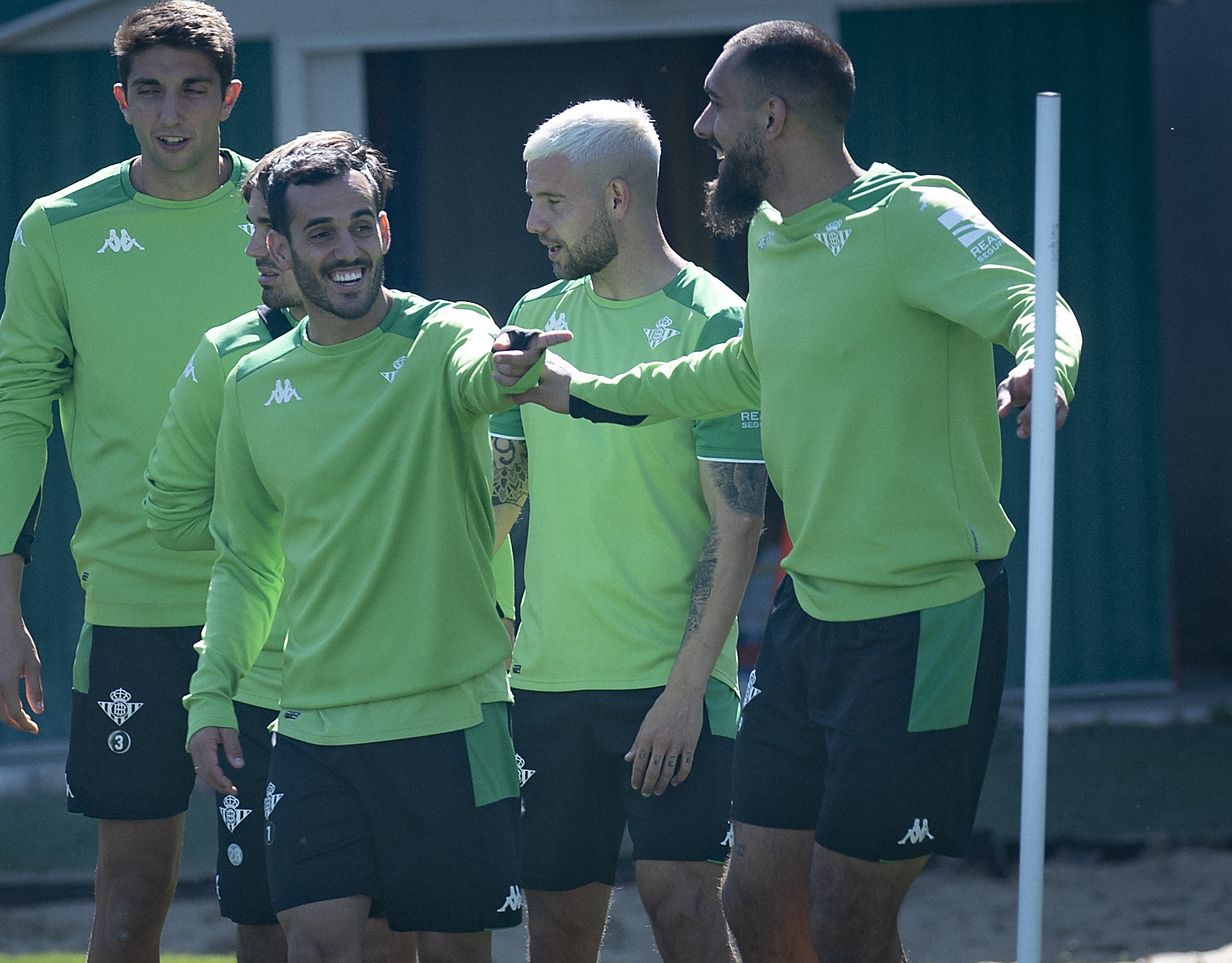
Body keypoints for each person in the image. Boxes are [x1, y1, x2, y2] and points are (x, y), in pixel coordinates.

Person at [495, 20, 1082, 963]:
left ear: (771, 115)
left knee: (849, 914)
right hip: (810, 612)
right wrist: (581, 391)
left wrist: (1042, 369)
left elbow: (1033, 297)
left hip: (926, 614)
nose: (699, 126)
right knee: (761, 900)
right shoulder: (772, 238)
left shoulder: (911, 217)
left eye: (716, 105)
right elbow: (738, 369)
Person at [184, 140, 566, 963]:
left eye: (361, 225)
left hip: (452, 716)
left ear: (384, 228)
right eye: (320, 234)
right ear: (280, 248)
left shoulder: (443, 333)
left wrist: (506, 370)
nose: (348, 249)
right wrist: (212, 691)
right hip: (314, 727)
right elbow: (247, 562)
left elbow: (479, 370)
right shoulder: (251, 384)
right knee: (316, 945)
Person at [0, 2, 259, 958]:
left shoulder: (288, 209)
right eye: (149, 92)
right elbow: (19, 415)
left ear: (229, 96)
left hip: (286, 604)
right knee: (131, 891)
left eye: (192, 91)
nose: (171, 113)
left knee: (284, 899)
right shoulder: (58, 227)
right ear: (120, 100)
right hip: (134, 608)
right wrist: (0, 610)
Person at [489, 99, 765, 963]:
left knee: (681, 906)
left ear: (616, 199)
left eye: (551, 201)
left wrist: (687, 690)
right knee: (558, 925)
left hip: (671, 682)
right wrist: (487, 628)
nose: (532, 221)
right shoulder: (535, 310)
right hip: (548, 679)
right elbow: (499, 498)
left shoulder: (714, 320)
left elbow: (739, 521)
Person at [142, 130, 414, 963]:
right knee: (267, 924)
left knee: (395, 928)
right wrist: (282, 528)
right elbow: (173, 511)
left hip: (401, 688)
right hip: (271, 689)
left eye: (275, 224)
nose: (262, 246)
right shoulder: (229, 356)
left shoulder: (426, 341)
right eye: (254, 224)